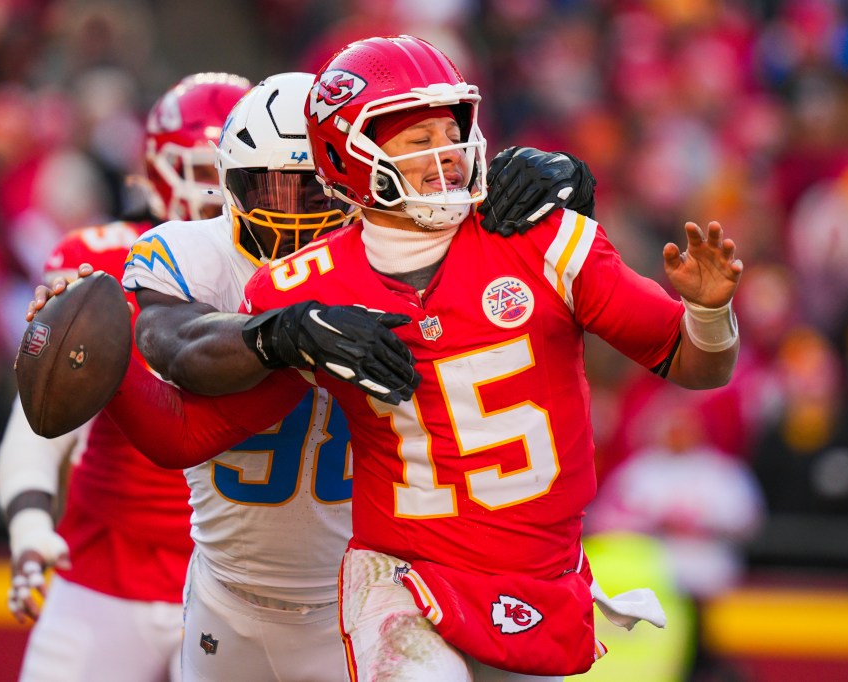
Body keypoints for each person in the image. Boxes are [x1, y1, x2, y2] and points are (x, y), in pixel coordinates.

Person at [102, 36, 742, 681]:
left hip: (539, 578)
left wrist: (709, 314)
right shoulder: (301, 288)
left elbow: (694, 362)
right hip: (398, 577)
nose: (446, 153)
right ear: (346, 154)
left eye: (450, 129)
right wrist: (114, 356)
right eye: (417, 139)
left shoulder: (542, 236)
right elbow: (191, 428)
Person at [31, 69, 593, 680]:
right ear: (229, 185)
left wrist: (565, 183)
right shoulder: (193, 254)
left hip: (369, 588)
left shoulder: (403, 247)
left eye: (315, 192)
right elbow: (176, 346)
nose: (295, 214)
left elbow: (506, 237)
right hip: (228, 592)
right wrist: (282, 333)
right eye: (273, 189)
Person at [0, 72, 251, 682]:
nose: (218, 193)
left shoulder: (303, 269)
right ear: (161, 173)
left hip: (243, 580)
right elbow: (39, 417)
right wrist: (31, 525)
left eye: (234, 171)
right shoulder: (105, 267)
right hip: (110, 567)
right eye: (204, 171)